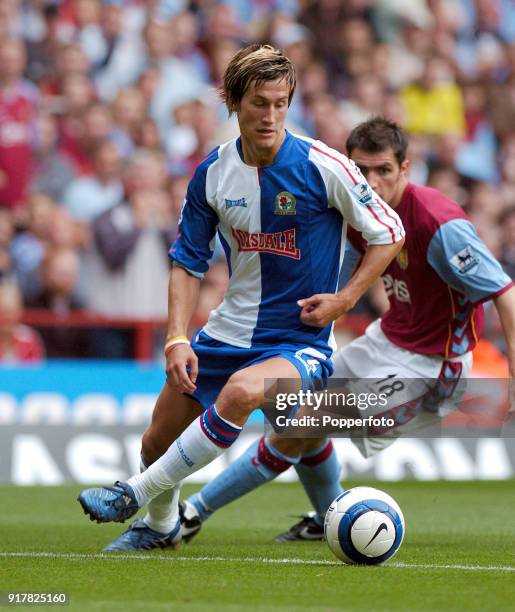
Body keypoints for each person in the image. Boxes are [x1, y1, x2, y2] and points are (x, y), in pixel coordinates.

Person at [77, 45, 404, 551]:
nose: (271, 116)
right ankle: (161, 528)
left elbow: (390, 231)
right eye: (259, 103)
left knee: (243, 394)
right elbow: (188, 261)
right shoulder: (212, 174)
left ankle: (131, 496)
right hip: (228, 331)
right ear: (232, 101)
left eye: (280, 103)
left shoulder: (325, 165)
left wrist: (345, 300)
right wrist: (176, 338)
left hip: (299, 341)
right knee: (155, 441)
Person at [178, 117, 515, 543]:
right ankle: (328, 515)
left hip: (434, 366)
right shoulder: (355, 211)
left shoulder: (439, 224)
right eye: (363, 170)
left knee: (301, 422)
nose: (372, 182)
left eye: (384, 171)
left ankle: (192, 512)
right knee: (295, 407)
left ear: (406, 170)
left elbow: (505, 292)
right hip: (385, 339)